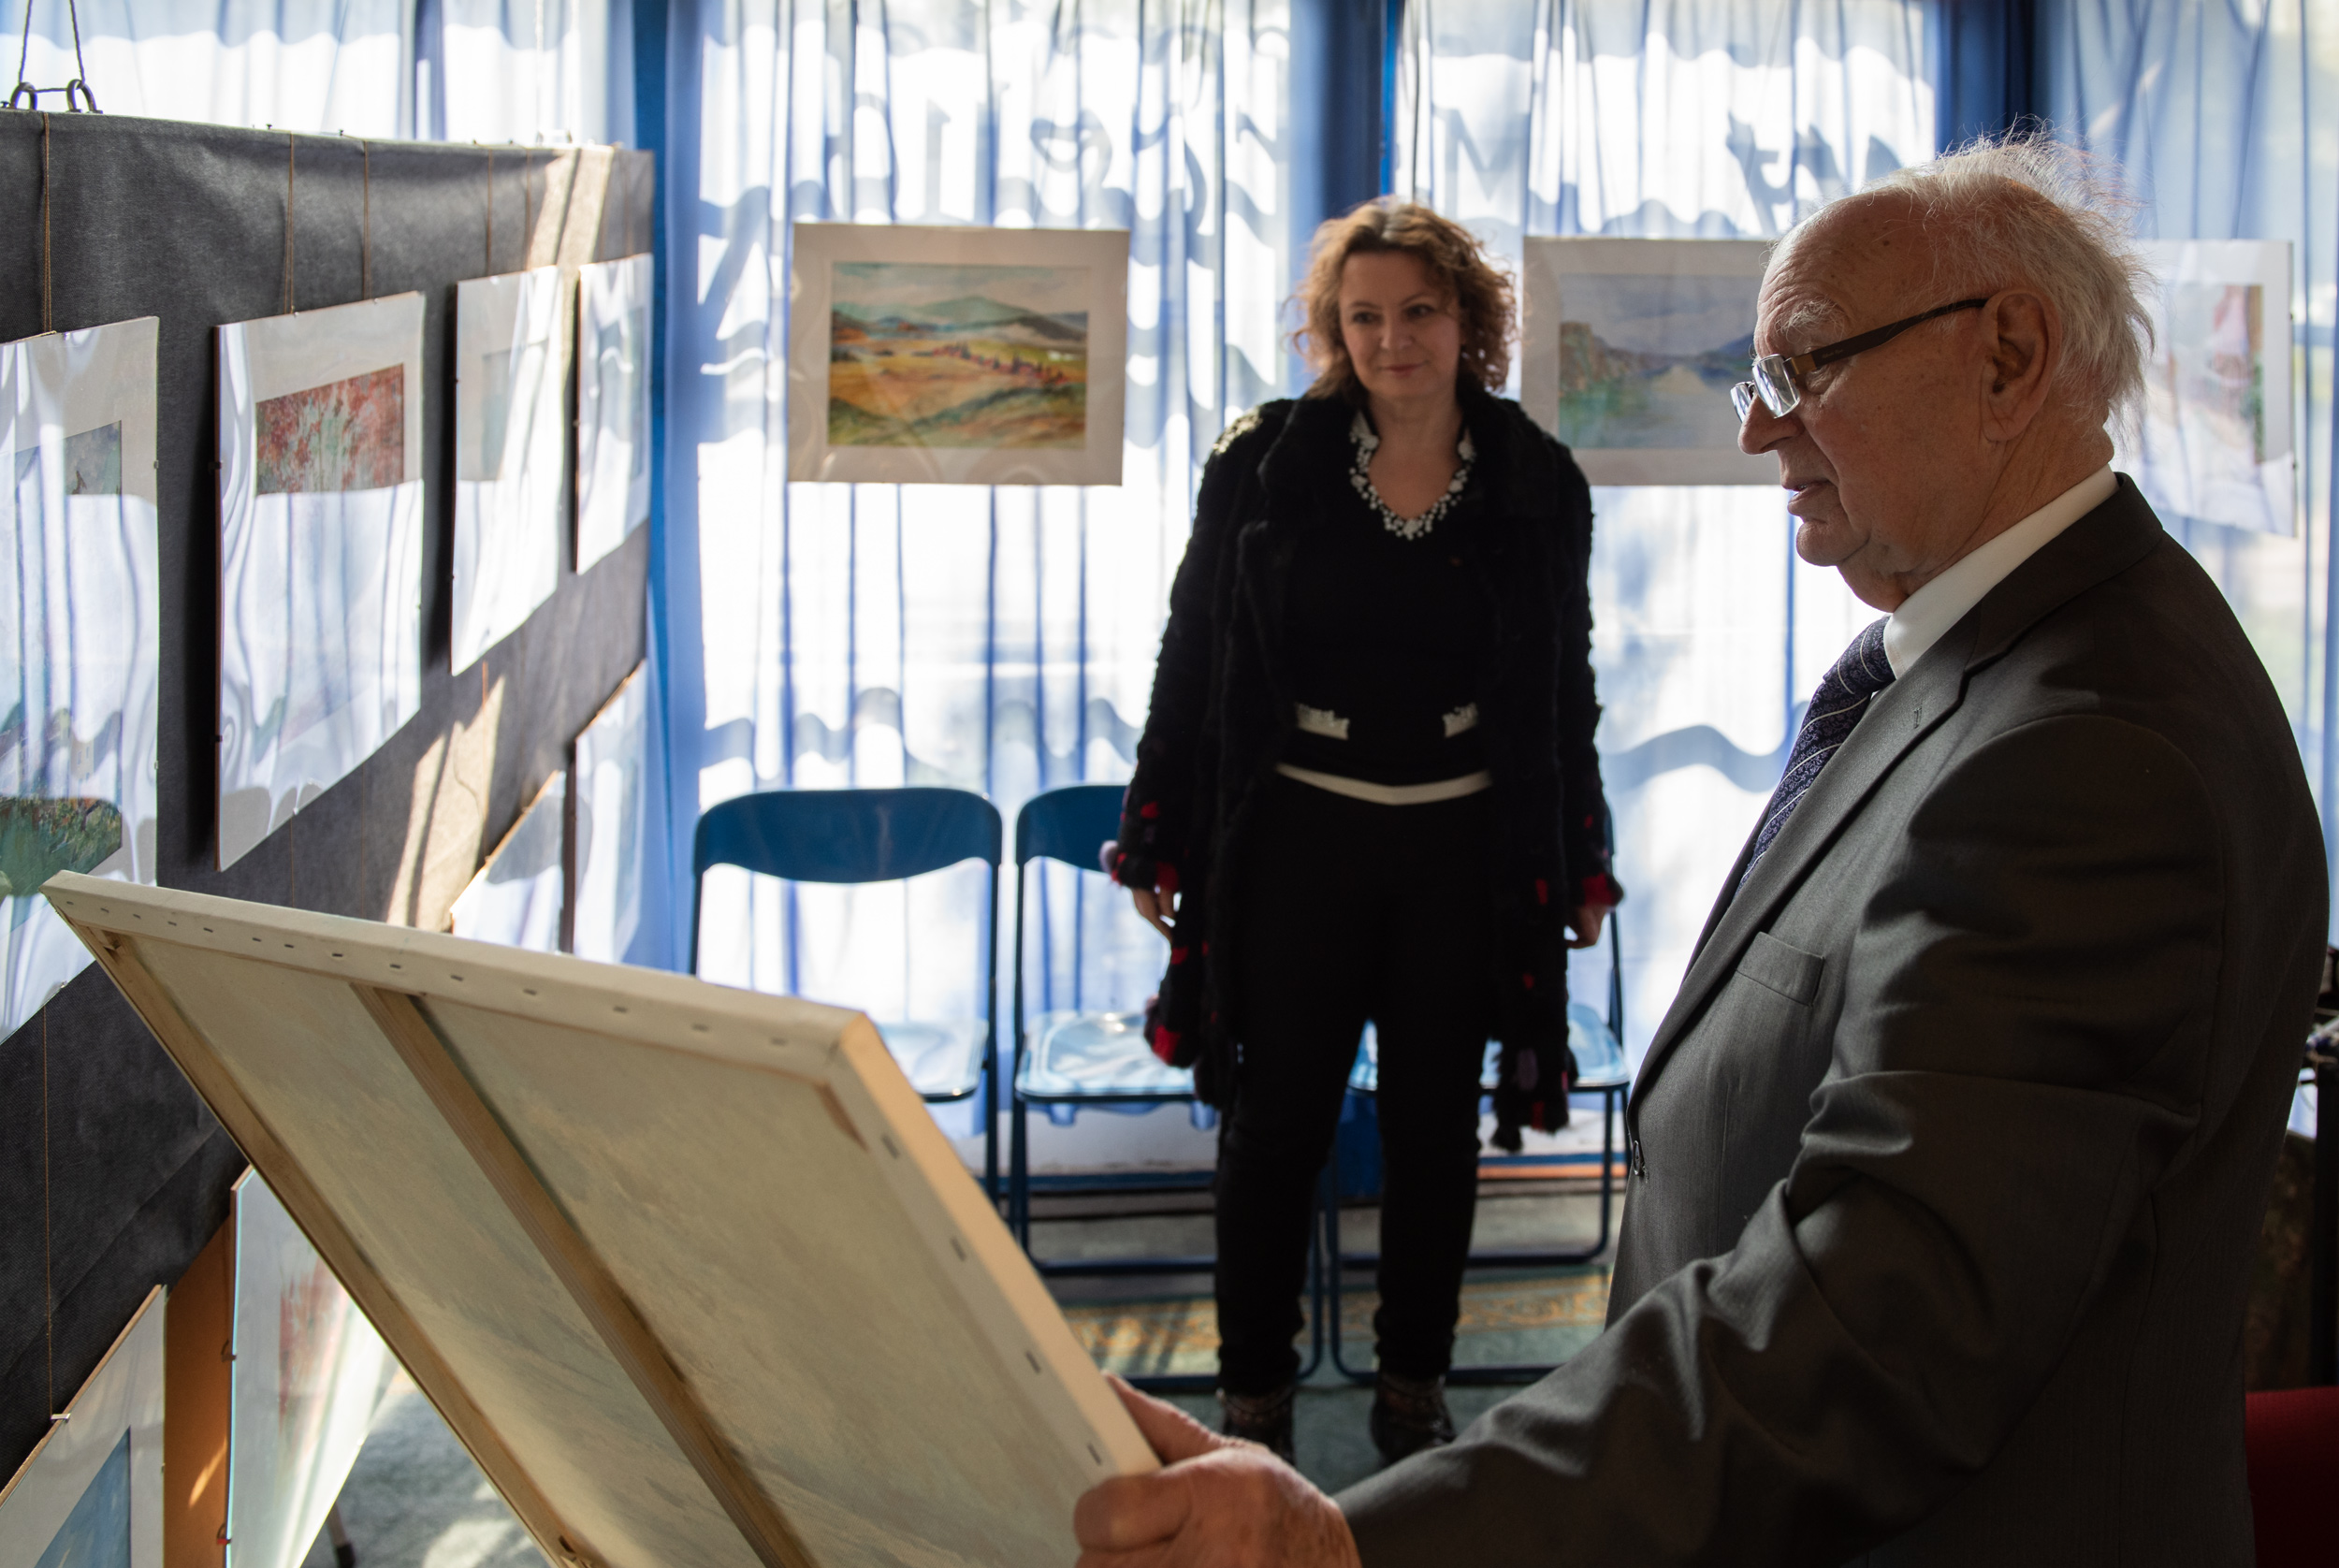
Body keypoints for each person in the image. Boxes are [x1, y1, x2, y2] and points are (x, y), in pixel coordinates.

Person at [1074, 138, 2328, 1566]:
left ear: (2008, 357)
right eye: (1757, 380)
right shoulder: (1979, 663)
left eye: (1807, 368)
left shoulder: (2091, 760)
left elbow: (1867, 1332)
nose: (1756, 431)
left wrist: (1358, 1546)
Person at [1104, 199, 1620, 1464]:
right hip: (1297, 850)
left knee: (1435, 1137)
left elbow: (1563, 683)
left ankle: (1411, 1391)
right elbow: (1195, 653)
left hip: (1460, 857)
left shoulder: (1537, 479)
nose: (1394, 341)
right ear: (1334, 330)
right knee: (1274, 1130)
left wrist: (1582, 854)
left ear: (1469, 320)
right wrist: (1155, 828)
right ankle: (1253, 1401)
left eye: (1420, 312)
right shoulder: (1262, 464)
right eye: (1365, 316)